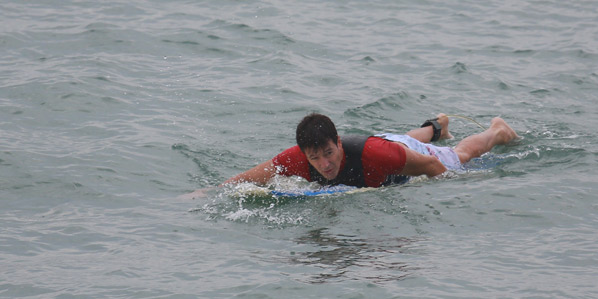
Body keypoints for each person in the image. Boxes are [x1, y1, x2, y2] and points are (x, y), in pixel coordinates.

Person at [219, 113, 518, 189]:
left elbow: (429, 165)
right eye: (314, 158)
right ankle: (437, 126)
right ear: (304, 154)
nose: (324, 165)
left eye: (328, 153)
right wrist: (207, 192)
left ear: (337, 142)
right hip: (387, 142)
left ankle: (496, 131)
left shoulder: (376, 154)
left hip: (390, 149)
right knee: (400, 141)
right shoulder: (296, 158)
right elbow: (248, 178)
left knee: (456, 158)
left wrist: (450, 182)